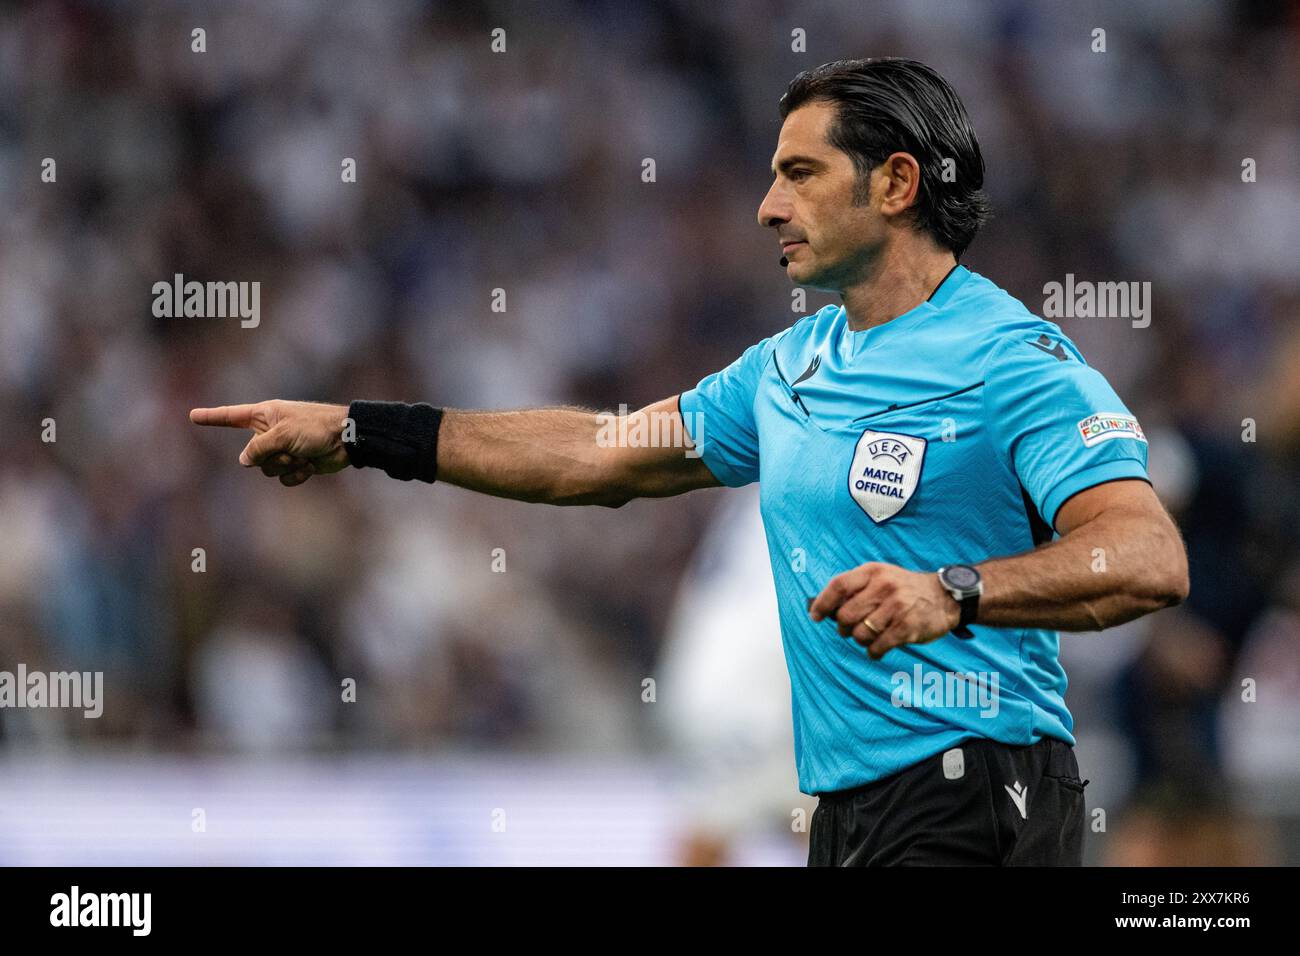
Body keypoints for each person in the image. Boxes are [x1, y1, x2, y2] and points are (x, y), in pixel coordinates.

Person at [190, 57, 1189, 866]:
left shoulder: (1012, 359)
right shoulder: (789, 365)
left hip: (977, 787)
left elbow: (1146, 555)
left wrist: (954, 590)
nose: (766, 205)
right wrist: (367, 430)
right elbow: (596, 453)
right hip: (848, 807)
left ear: (895, 183)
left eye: (799, 173)